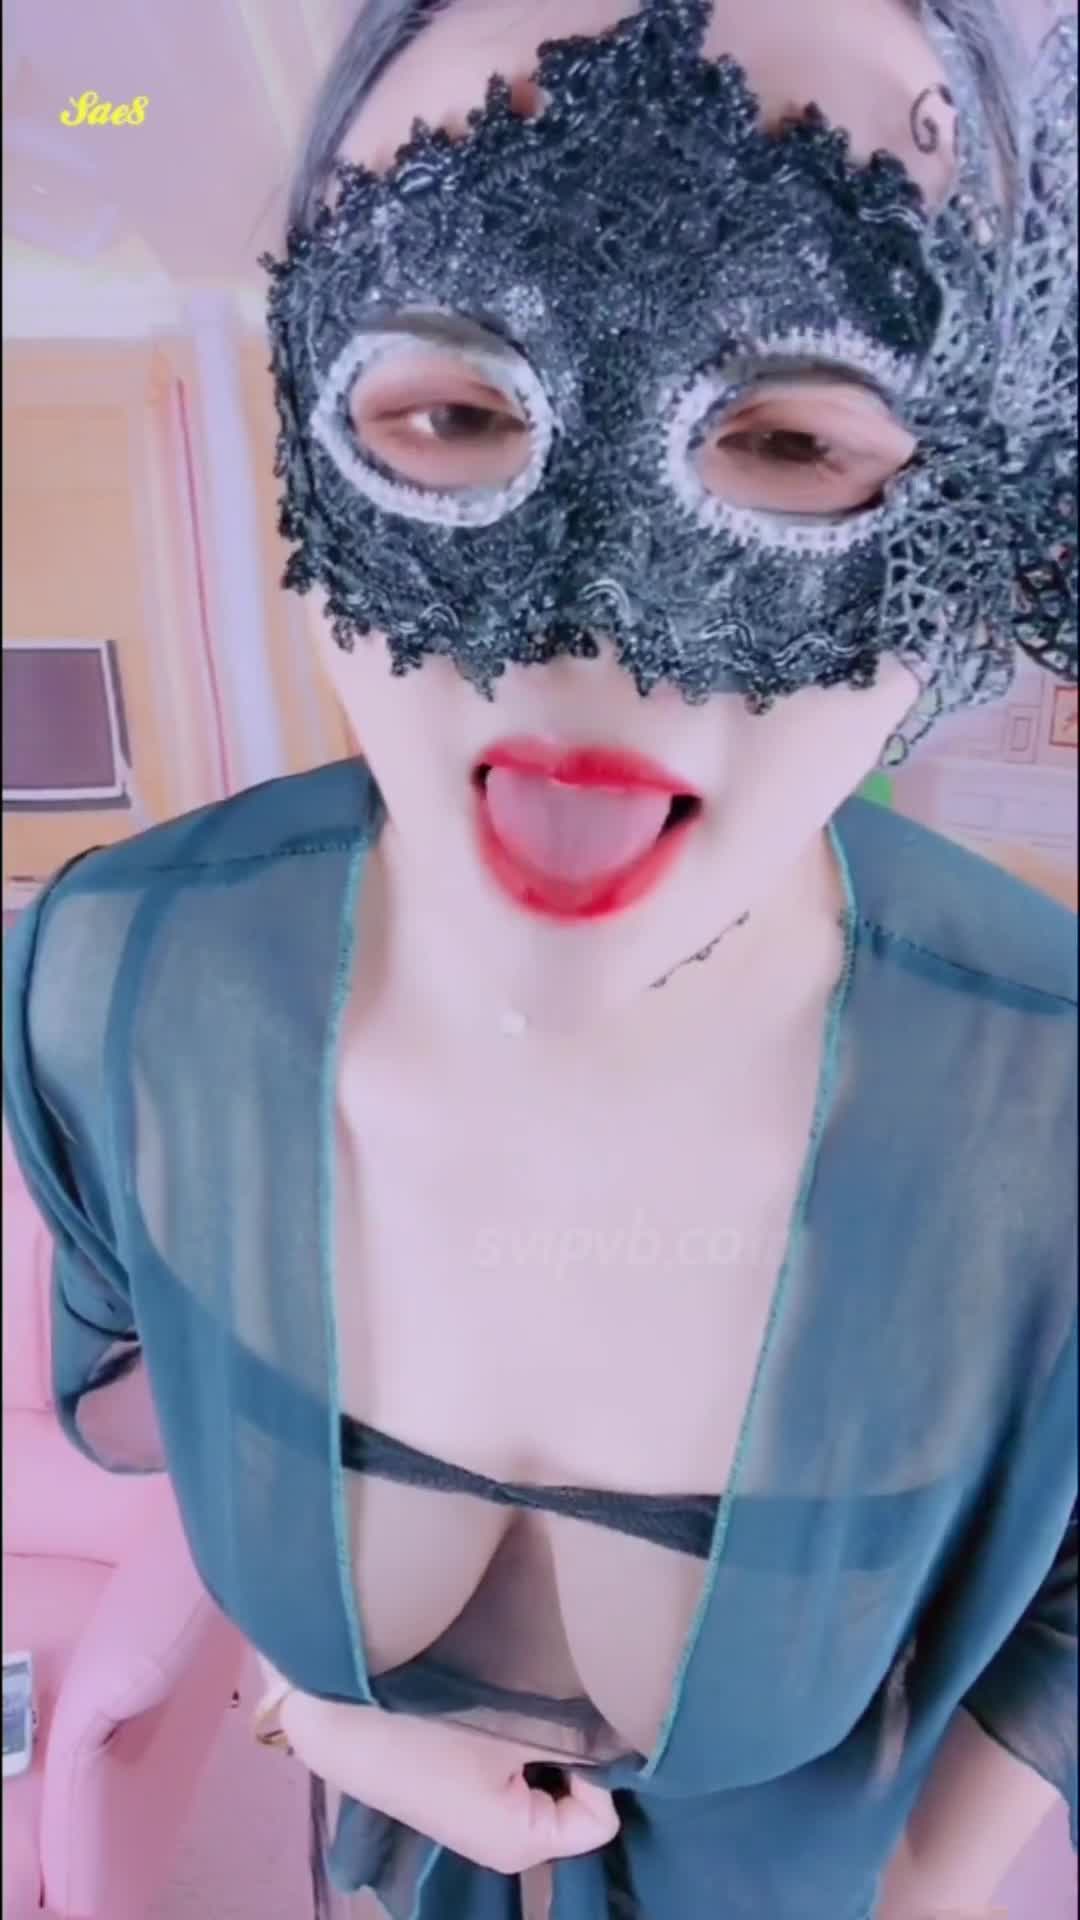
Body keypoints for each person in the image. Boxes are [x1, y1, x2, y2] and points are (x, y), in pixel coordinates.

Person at [3, 2, 1077, 1916]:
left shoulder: (1052, 1111)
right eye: (452, 411)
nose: (587, 648)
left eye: (794, 440)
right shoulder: (112, 996)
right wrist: (310, 1710)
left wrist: (920, 1895)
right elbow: (155, 1391)